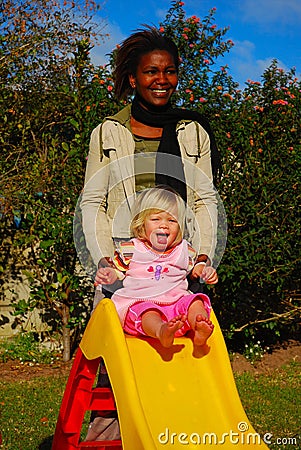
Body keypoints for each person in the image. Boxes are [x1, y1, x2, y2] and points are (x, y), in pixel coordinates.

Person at [80, 26, 222, 442]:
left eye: (170, 71)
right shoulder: (108, 132)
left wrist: (202, 257)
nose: (161, 80)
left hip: (177, 270)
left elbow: (204, 200)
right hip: (126, 268)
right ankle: (106, 439)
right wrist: (104, 259)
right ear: (132, 78)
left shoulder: (192, 132)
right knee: (116, 367)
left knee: (180, 358)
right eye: (150, 72)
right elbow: (92, 202)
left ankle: (178, 435)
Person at [95, 187, 217, 349]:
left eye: (172, 221)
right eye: (156, 219)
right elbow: (117, 270)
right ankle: (161, 331)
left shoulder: (184, 250)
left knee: (195, 301)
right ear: (141, 223)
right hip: (141, 302)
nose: (164, 225)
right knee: (148, 312)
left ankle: (199, 328)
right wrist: (109, 274)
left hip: (176, 309)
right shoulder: (132, 248)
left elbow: (196, 270)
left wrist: (205, 271)